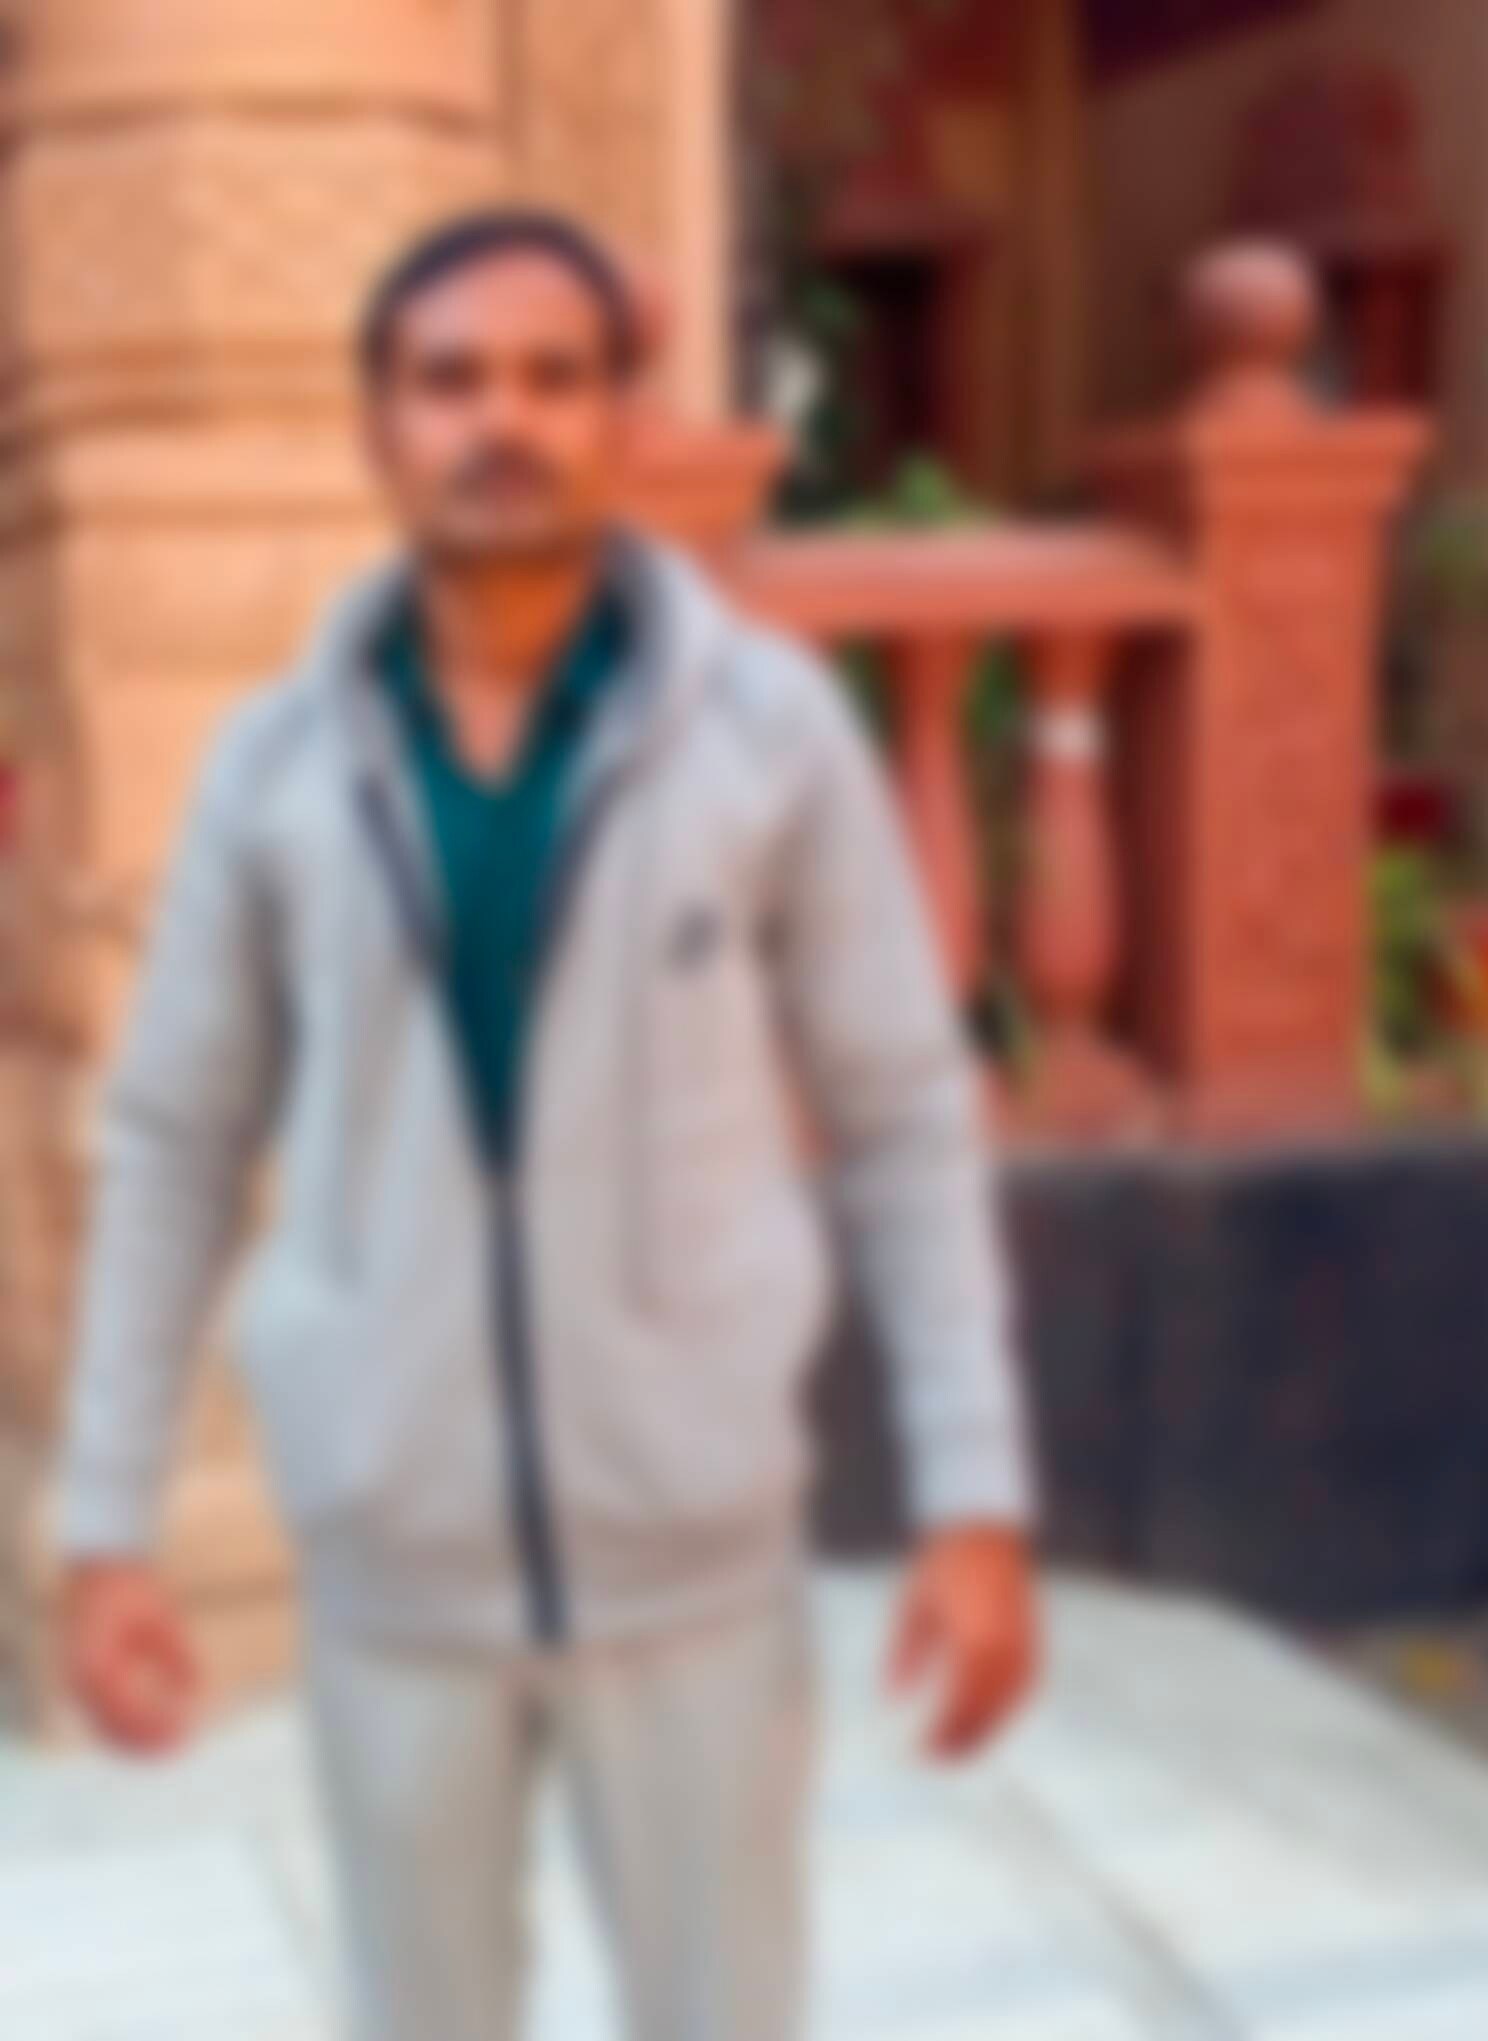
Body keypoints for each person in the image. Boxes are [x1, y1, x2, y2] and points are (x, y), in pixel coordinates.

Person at [52, 207, 1044, 2041]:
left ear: (620, 420)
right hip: (392, 1571)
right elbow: (176, 1137)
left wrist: (971, 1493)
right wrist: (106, 1517)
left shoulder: (766, 733)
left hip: (696, 1571)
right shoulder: (272, 769)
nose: (499, 419)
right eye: (449, 380)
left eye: (550, 377)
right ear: (378, 427)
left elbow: (904, 1113)